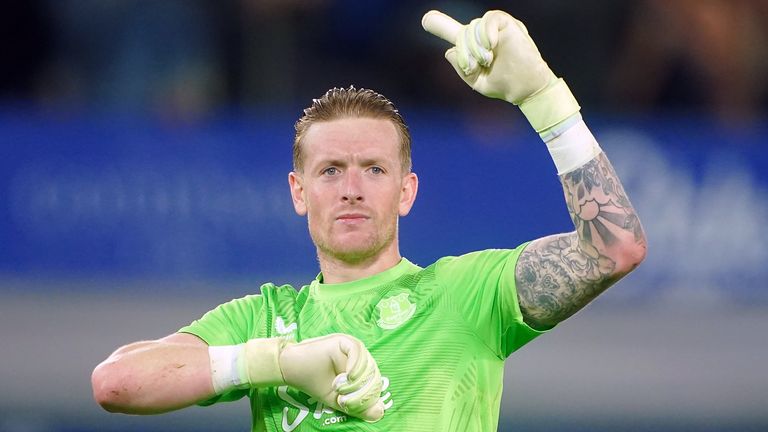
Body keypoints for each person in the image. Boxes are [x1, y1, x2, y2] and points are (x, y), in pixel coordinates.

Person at [91, 9, 647, 431]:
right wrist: (277, 361)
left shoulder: (465, 293)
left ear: (407, 191)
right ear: (298, 192)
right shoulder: (263, 319)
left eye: (374, 170)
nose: (352, 189)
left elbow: (613, 248)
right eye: (330, 170)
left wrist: (544, 98)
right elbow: (114, 383)